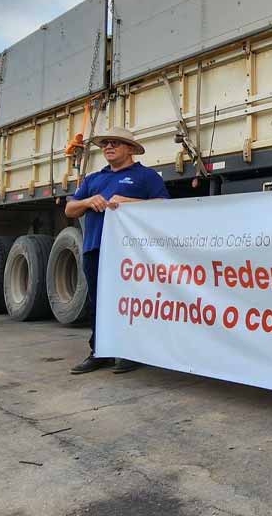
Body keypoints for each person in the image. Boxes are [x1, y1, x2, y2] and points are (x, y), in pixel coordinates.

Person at [66, 127, 169, 375]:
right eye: (105, 144)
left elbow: (165, 206)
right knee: (98, 301)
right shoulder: (93, 179)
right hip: (96, 248)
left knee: (132, 301)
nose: (108, 147)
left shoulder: (146, 177)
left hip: (130, 254)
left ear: (130, 148)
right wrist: (89, 201)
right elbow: (70, 209)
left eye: (116, 143)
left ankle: (131, 351)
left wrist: (130, 202)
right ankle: (100, 352)